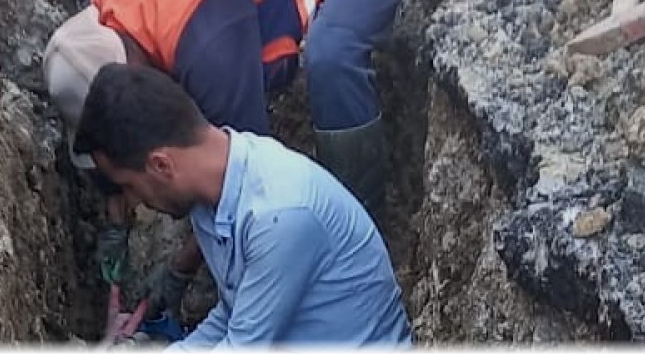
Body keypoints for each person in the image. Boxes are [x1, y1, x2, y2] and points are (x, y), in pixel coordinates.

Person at [42, 0, 423, 317]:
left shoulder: (207, 44)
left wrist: (180, 271)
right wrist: (116, 220)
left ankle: (362, 224)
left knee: (330, 56)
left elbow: (245, 182)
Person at [74, 62, 414, 347]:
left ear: (161, 165)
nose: (134, 202)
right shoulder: (213, 198)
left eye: (129, 187)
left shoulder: (279, 214)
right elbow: (233, 316)